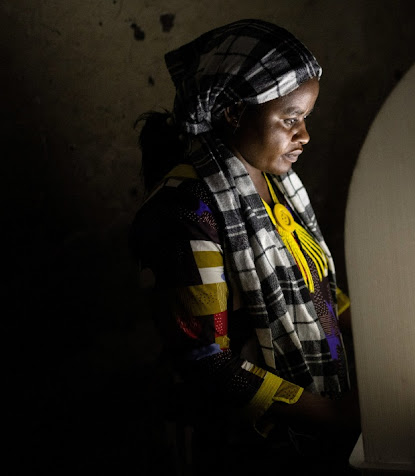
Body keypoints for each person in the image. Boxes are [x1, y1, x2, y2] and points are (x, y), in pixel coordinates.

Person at [130, 19, 360, 475]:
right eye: (290, 120)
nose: (305, 135)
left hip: (321, 415)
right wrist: (335, 417)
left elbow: (317, 289)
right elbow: (207, 364)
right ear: (233, 112)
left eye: (306, 119)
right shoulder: (189, 212)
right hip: (255, 448)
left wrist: (378, 335)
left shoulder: (277, 186)